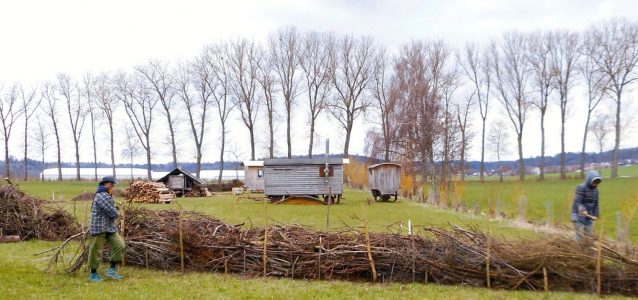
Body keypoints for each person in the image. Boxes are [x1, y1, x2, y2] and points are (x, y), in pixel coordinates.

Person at [88, 176, 125, 282]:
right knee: (96, 251)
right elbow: (113, 212)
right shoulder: (103, 195)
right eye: (112, 184)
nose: (113, 186)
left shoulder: (106, 194)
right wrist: (117, 212)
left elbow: (111, 210)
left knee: (119, 245)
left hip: (109, 226)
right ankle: (93, 274)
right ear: (106, 184)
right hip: (99, 227)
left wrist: (115, 210)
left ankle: (111, 271)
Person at [571, 171, 602, 240]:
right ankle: (577, 249)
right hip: (578, 214)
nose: (595, 184)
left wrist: (596, 215)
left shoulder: (596, 190)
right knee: (580, 235)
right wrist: (583, 209)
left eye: (597, 182)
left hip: (588, 215)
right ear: (589, 180)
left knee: (588, 235)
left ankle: (587, 249)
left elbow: (596, 204)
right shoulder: (581, 187)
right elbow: (577, 202)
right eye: (594, 182)